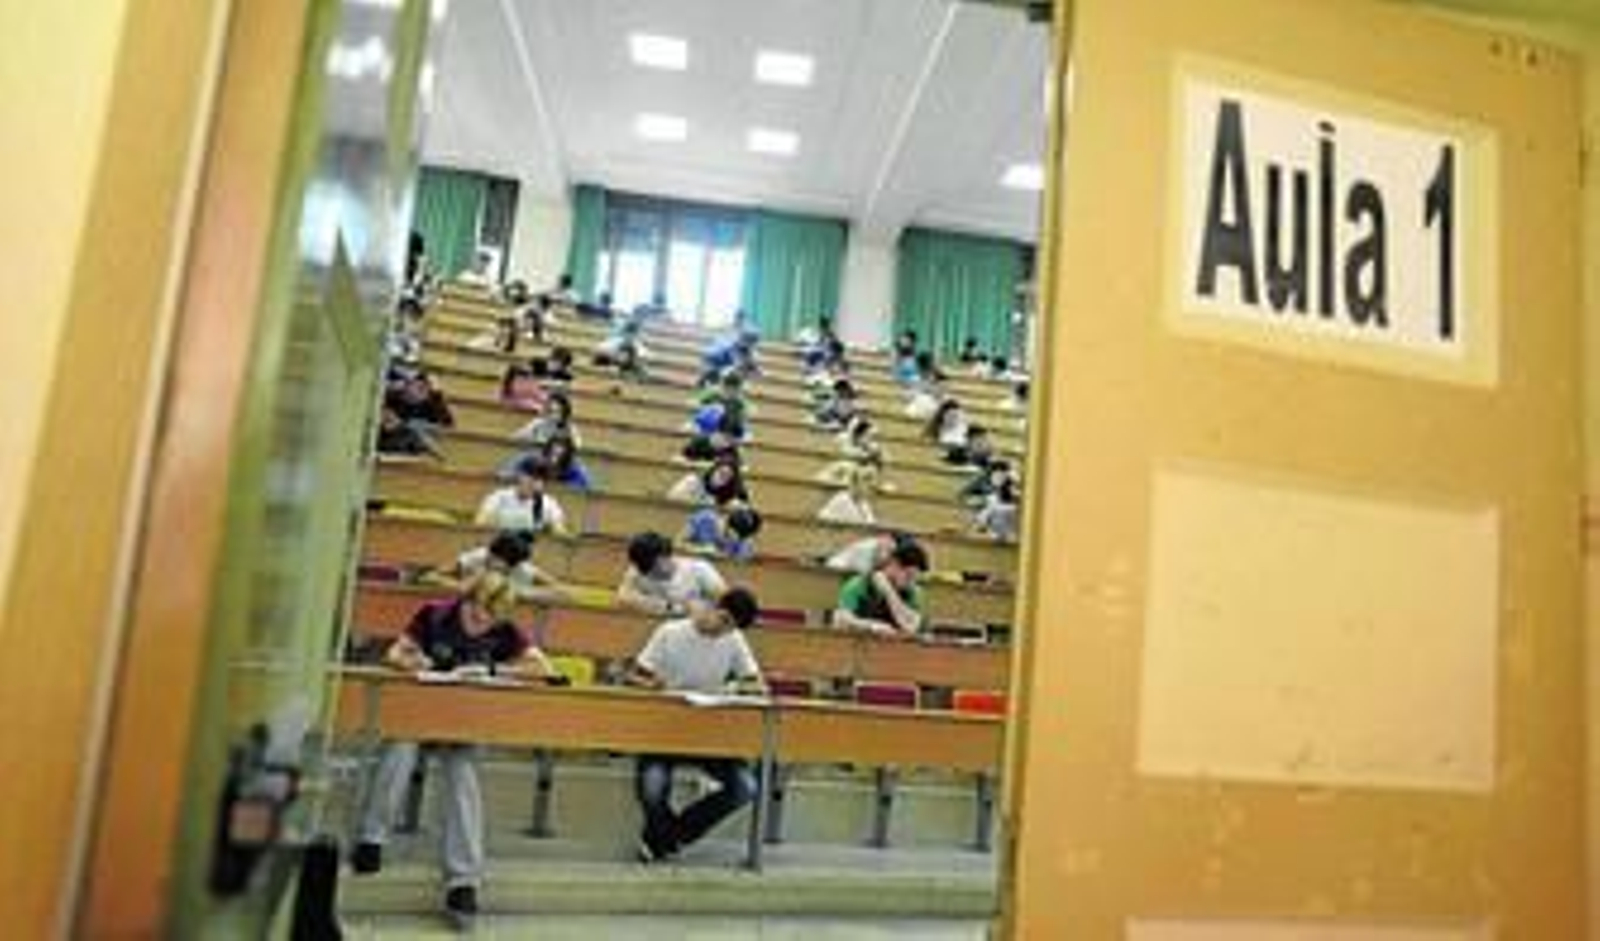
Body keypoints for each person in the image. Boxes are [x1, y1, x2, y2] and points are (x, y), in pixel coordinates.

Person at [351, 574, 559, 926]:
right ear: (468, 599)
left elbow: (543, 668)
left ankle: (463, 882)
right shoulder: (434, 614)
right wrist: (418, 663)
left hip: (463, 723)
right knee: (399, 751)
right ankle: (372, 838)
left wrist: (492, 669)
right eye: (476, 613)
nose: (482, 622)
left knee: (462, 775)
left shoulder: (505, 629)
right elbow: (396, 653)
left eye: (490, 618)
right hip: (419, 714)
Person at [628, 588, 765, 862]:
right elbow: (634, 676)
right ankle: (665, 839)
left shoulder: (733, 639)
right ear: (713, 606)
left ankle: (670, 837)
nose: (723, 630)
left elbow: (756, 683)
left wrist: (736, 688)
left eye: (731, 627)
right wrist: (651, 685)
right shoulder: (670, 632)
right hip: (663, 729)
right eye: (723, 620)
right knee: (652, 788)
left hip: (708, 733)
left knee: (746, 787)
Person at [617, 531, 728, 617]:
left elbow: (725, 603)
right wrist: (669, 607)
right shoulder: (639, 572)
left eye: (655, 565)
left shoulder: (699, 569)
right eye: (648, 569)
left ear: (665, 555)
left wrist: (699, 608)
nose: (652, 573)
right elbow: (623, 599)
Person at [833, 539, 928, 636]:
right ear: (894, 564)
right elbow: (841, 620)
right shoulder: (858, 585)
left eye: (914, 578)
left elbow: (911, 626)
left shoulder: (910, 591)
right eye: (908, 575)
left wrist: (889, 591)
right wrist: (871, 626)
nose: (911, 582)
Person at [442, 530, 565, 602]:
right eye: (492, 557)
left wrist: (525, 592)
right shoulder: (478, 556)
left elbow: (559, 590)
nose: (494, 563)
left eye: (502, 566)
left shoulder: (523, 568)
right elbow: (438, 574)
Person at [474, 463, 569, 536]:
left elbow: (559, 531)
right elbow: (480, 522)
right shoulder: (499, 497)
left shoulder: (549, 504)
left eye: (540, 480)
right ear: (519, 477)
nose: (533, 482)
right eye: (530, 476)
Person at [682, 504, 763, 561]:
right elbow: (680, 544)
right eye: (736, 535)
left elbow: (739, 565)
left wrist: (723, 556)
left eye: (742, 537)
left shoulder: (745, 542)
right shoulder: (703, 518)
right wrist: (702, 550)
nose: (737, 539)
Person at [666, 455, 748, 506]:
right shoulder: (693, 481)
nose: (721, 478)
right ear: (714, 470)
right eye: (720, 473)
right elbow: (671, 496)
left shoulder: (734, 494)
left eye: (726, 476)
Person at [816, 461, 879, 526]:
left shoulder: (863, 504)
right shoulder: (842, 499)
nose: (872, 485)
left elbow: (870, 524)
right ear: (854, 481)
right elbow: (823, 519)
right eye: (867, 479)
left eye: (873, 480)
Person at [387, 371, 454, 428]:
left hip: (402, 400)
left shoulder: (427, 415)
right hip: (404, 388)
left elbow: (406, 415)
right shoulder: (435, 395)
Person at [375, 405, 442, 459]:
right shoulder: (412, 427)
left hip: (403, 440)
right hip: (403, 438)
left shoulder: (413, 426)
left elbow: (438, 430)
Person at [973, 477, 1021, 542]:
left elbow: (981, 520)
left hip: (1003, 535)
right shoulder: (1014, 506)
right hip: (1009, 535)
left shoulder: (995, 504)